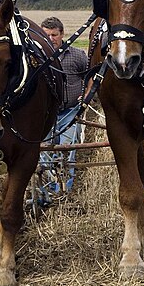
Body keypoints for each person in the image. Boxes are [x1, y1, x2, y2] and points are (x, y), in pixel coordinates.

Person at [38, 17, 89, 205]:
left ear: (62, 35)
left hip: (69, 112)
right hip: (45, 113)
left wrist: (87, 93)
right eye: (46, 35)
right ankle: (49, 190)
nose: (50, 38)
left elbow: (91, 75)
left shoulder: (76, 56)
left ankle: (64, 191)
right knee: (45, 151)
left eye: (54, 35)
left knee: (67, 150)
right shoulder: (36, 57)